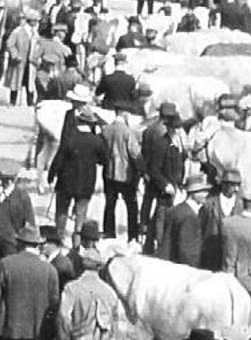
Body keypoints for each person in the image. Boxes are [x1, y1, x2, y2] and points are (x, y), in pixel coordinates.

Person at [49, 90, 105, 234]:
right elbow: (104, 158)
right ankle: (77, 239)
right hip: (86, 179)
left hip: (67, 177)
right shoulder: (97, 141)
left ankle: (59, 236)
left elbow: (61, 153)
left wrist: (52, 173)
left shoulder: (70, 139)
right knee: (81, 213)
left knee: (61, 210)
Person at [137, 103, 186, 249]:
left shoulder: (150, 130)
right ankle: (158, 243)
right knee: (161, 214)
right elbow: (156, 166)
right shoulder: (162, 140)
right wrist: (165, 184)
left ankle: (147, 238)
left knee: (150, 207)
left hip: (159, 179)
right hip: (162, 182)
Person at [99, 99, 142, 241]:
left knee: (110, 203)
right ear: (123, 113)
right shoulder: (128, 132)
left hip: (109, 171)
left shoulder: (106, 130)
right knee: (131, 205)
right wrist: (142, 170)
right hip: (126, 173)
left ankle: (109, 232)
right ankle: (132, 236)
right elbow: (135, 153)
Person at [161, 172, 210, 269]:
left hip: (168, 264)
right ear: (192, 193)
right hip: (182, 270)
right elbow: (187, 251)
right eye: (202, 191)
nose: (206, 194)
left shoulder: (176, 209)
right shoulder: (190, 216)